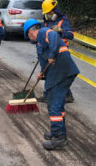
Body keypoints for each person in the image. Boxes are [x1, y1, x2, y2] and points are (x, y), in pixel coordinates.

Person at [23, 19, 80, 150]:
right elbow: (45, 65)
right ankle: (57, 133)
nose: (30, 39)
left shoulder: (43, 32)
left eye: (29, 36)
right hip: (56, 74)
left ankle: (59, 138)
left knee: (54, 104)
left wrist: (52, 54)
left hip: (63, 72)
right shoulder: (39, 44)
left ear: (31, 31)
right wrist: (42, 74)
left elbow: (54, 35)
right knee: (53, 102)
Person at [40, 0, 75, 103]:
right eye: (46, 13)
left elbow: (71, 35)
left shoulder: (63, 20)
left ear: (54, 11)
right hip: (49, 51)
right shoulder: (46, 22)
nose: (48, 15)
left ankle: (52, 95)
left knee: (57, 74)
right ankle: (64, 95)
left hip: (61, 52)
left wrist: (61, 30)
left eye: (49, 12)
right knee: (51, 73)